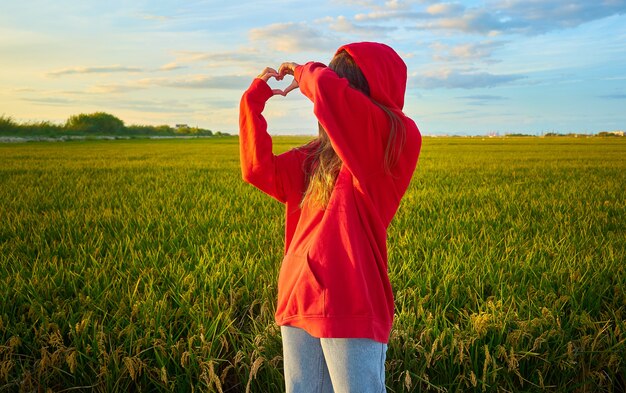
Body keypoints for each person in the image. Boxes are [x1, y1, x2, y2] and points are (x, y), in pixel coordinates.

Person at [239, 42, 421, 393]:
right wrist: (253, 102)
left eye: (341, 84)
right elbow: (258, 169)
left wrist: (305, 70)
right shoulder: (315, 155)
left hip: (348, 300)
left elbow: (329, 94)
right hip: (300, 294)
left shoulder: (395, 140)